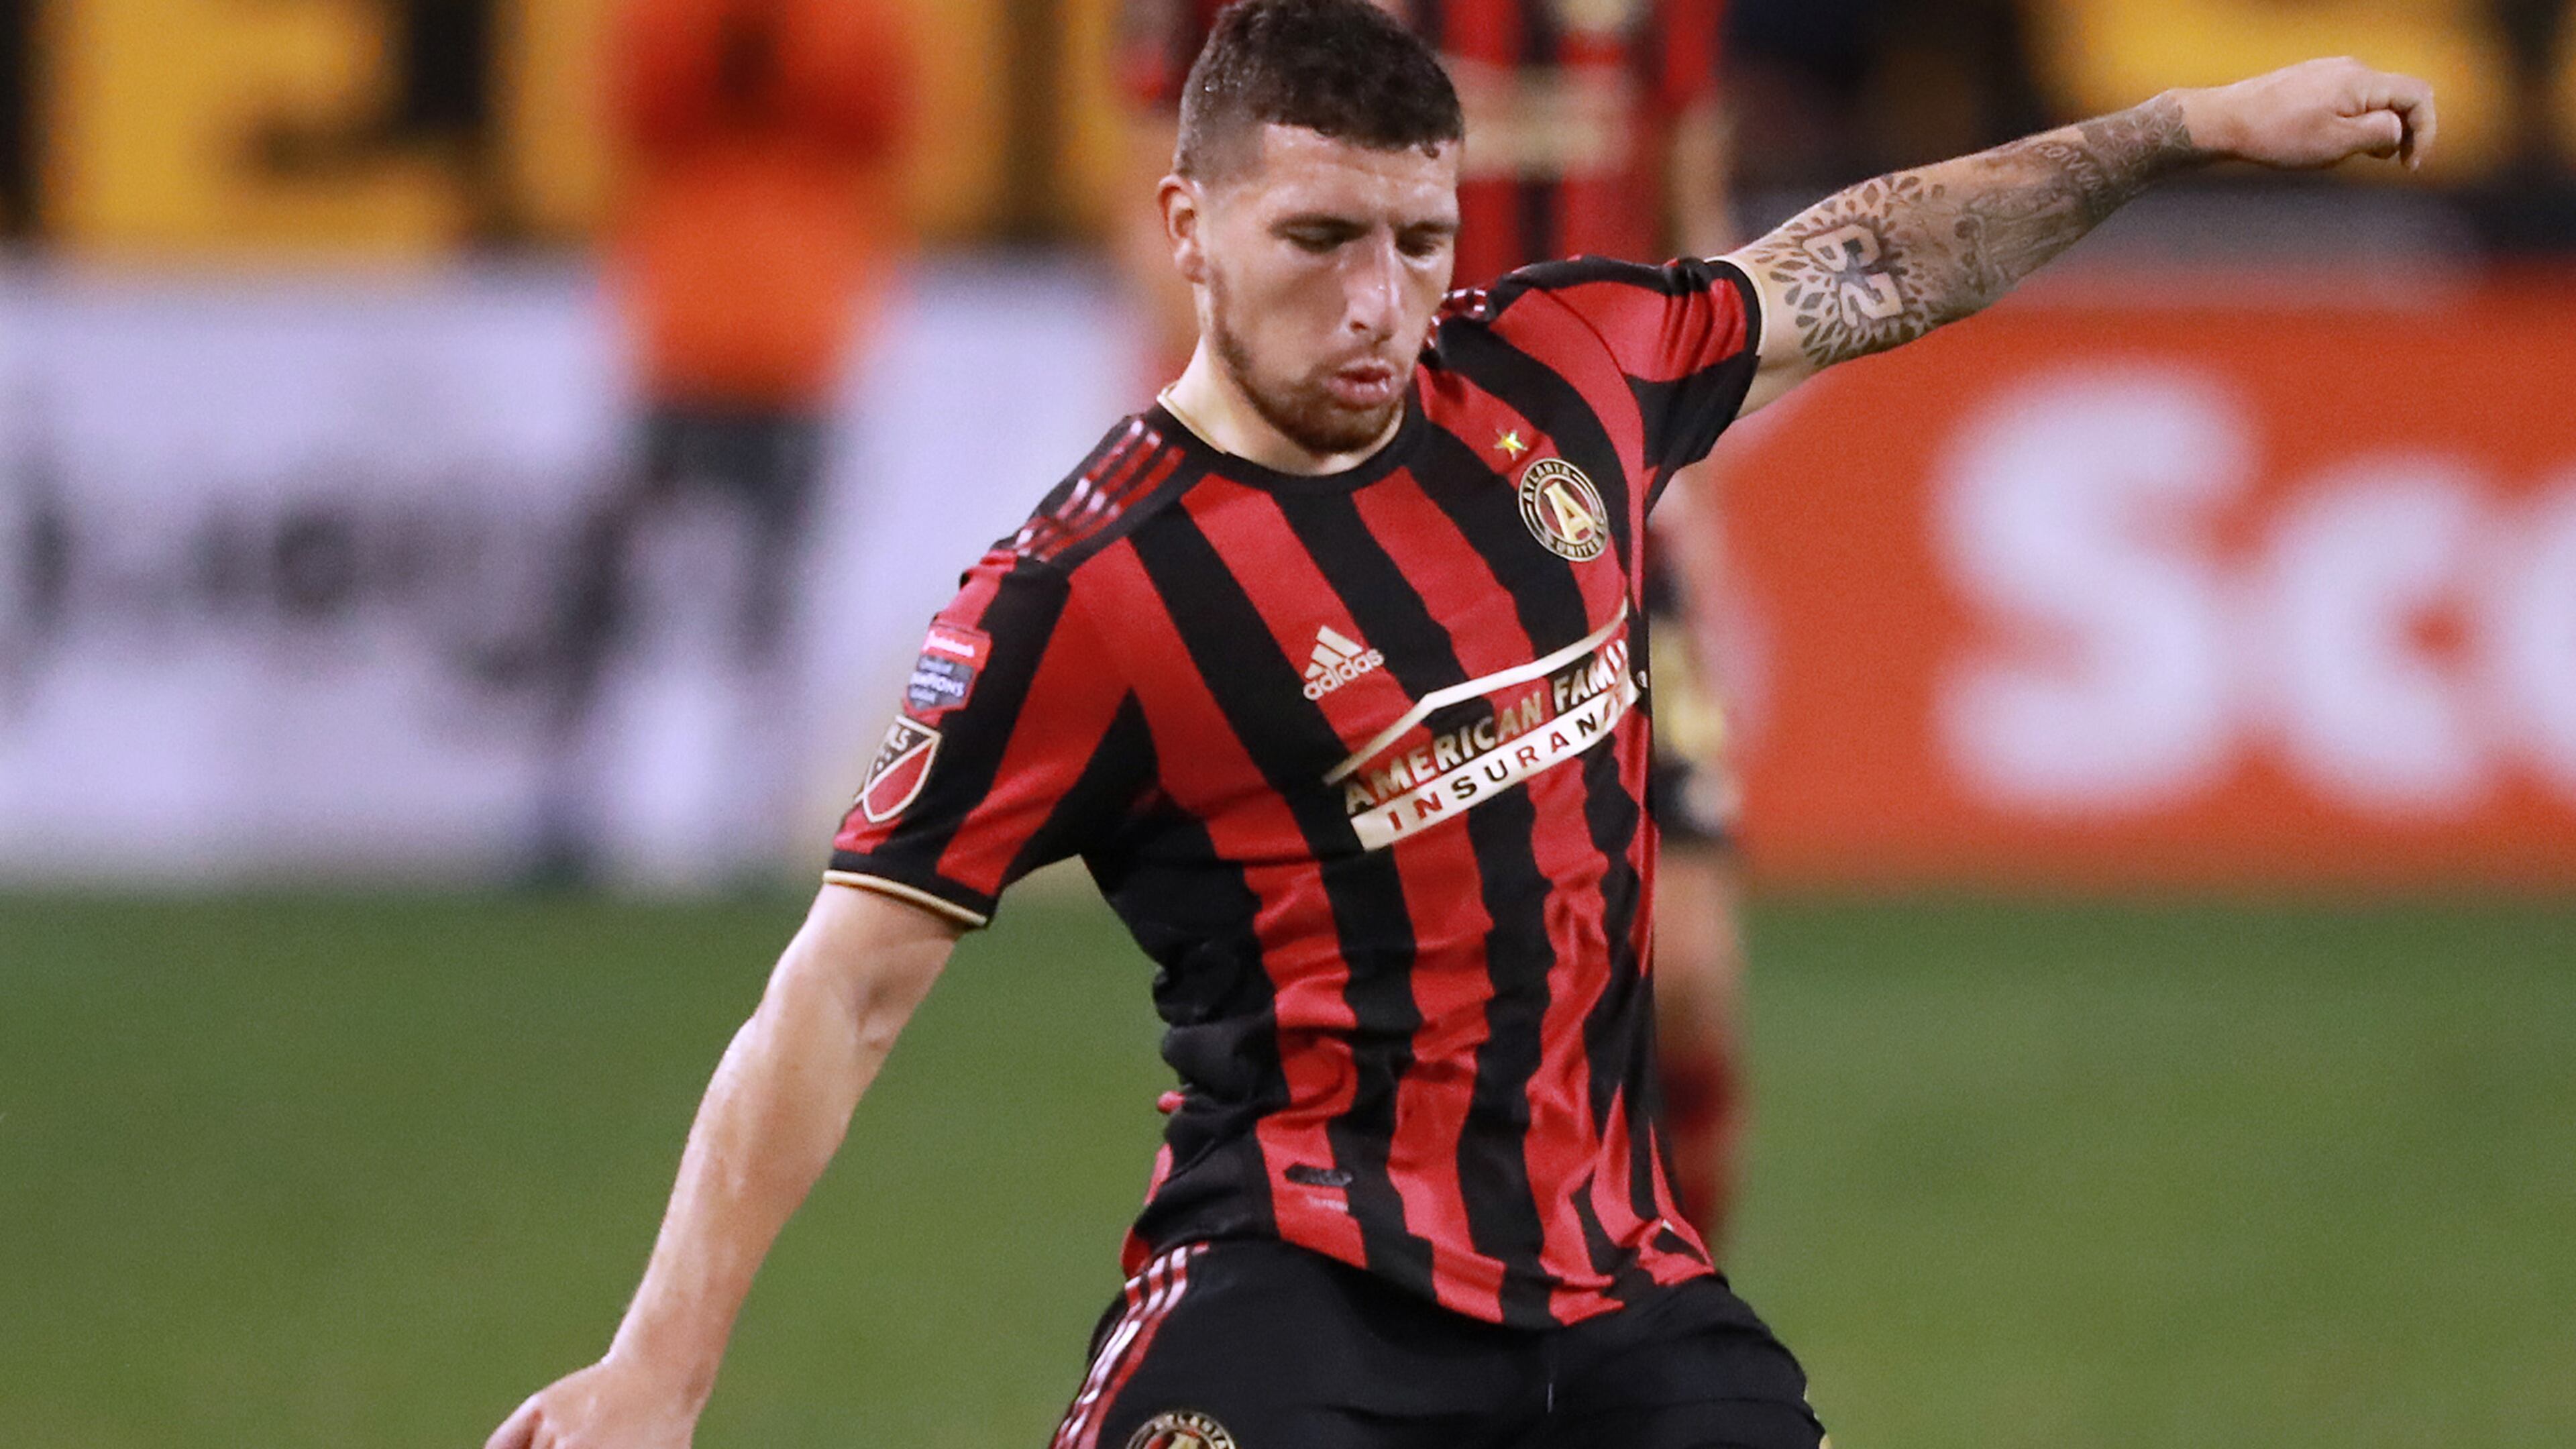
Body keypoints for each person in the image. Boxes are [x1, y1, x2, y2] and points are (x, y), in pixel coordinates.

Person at [484, 3, 2434, 1445]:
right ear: (1188, 224)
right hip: (1303, 1301)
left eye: (1418, 242)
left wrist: (2182, 127)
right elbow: (839, 995)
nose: (1383, 304)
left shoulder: (1563, 374)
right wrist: (662, 1362)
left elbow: (1874, 259)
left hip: (1624, 1304)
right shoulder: (1081, 598)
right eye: (1320, 240)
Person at [1118, 0, 1757, 1249]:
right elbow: (1157, 206)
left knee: (1685, 980)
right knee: (1394, 1011)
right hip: (1359, 523)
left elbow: (1692, 229)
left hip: (1588, 519)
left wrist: (1701, 500)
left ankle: (1661, 1337)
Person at [533, 0, 913, 885]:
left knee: (768, 605)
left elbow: (876, 117)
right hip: (693, 333)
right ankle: (571, 802)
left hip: (787, 337)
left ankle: (750, 814)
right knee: (622, 590)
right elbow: (642, 105)